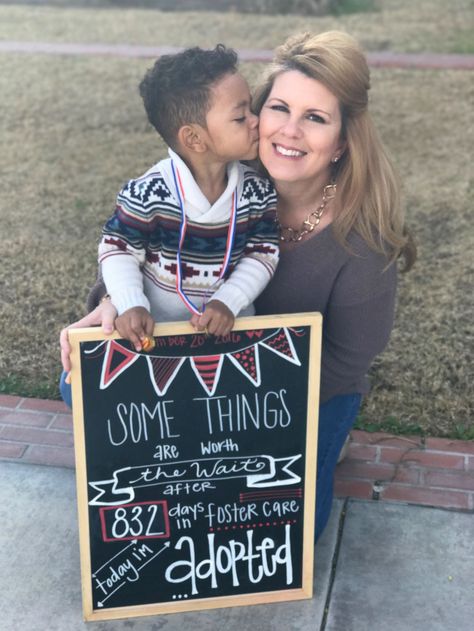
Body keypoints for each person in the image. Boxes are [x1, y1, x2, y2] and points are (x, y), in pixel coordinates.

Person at [60, 31, 416, 542]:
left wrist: (240, 418)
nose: (287, 131)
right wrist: (113, 303)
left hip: (298, 389)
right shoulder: (224, 172)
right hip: (199, 372)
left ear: (341, 141)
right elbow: (141, 246)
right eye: (277, 108)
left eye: (315, 118)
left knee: (282, 534)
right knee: (82, 390)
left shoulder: (363, 239)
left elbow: (349, 355)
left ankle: (326, 442)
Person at [98, 44, 279, 353]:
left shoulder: (257, 192)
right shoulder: (147, 193)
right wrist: (130, 303)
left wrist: (229, 301)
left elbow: (262, 254)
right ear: (194, 139)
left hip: (229, 336)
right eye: (240, 117)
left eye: (252, 109)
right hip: (156, 337)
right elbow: (118, 249)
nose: (256, 121)